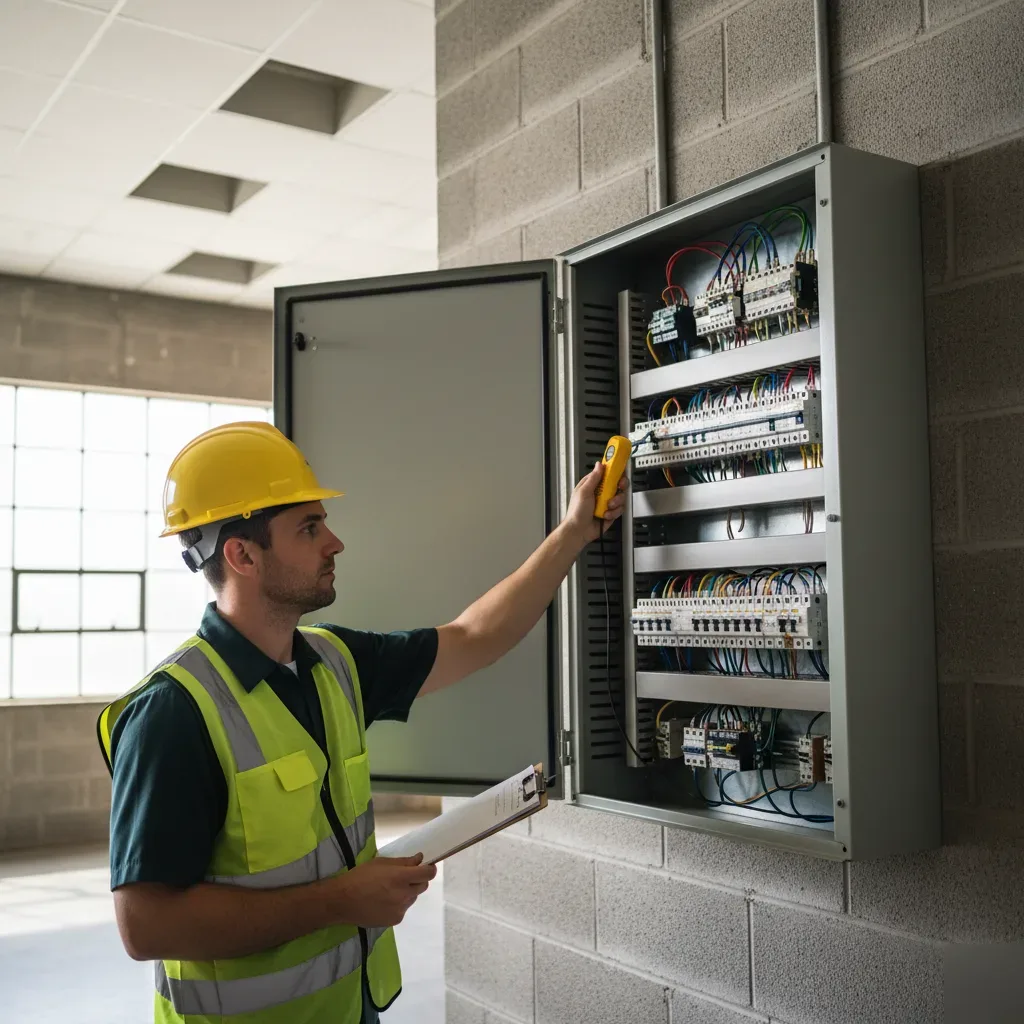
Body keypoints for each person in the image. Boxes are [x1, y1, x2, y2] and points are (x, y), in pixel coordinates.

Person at [97, 421, 627, 1024]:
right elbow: (146, 926)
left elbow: (475, 637)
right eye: (309, 528)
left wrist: (574, 532)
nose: (334, 542)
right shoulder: (173, 712)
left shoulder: (332, 661)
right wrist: (339, 901)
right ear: (242, 554)